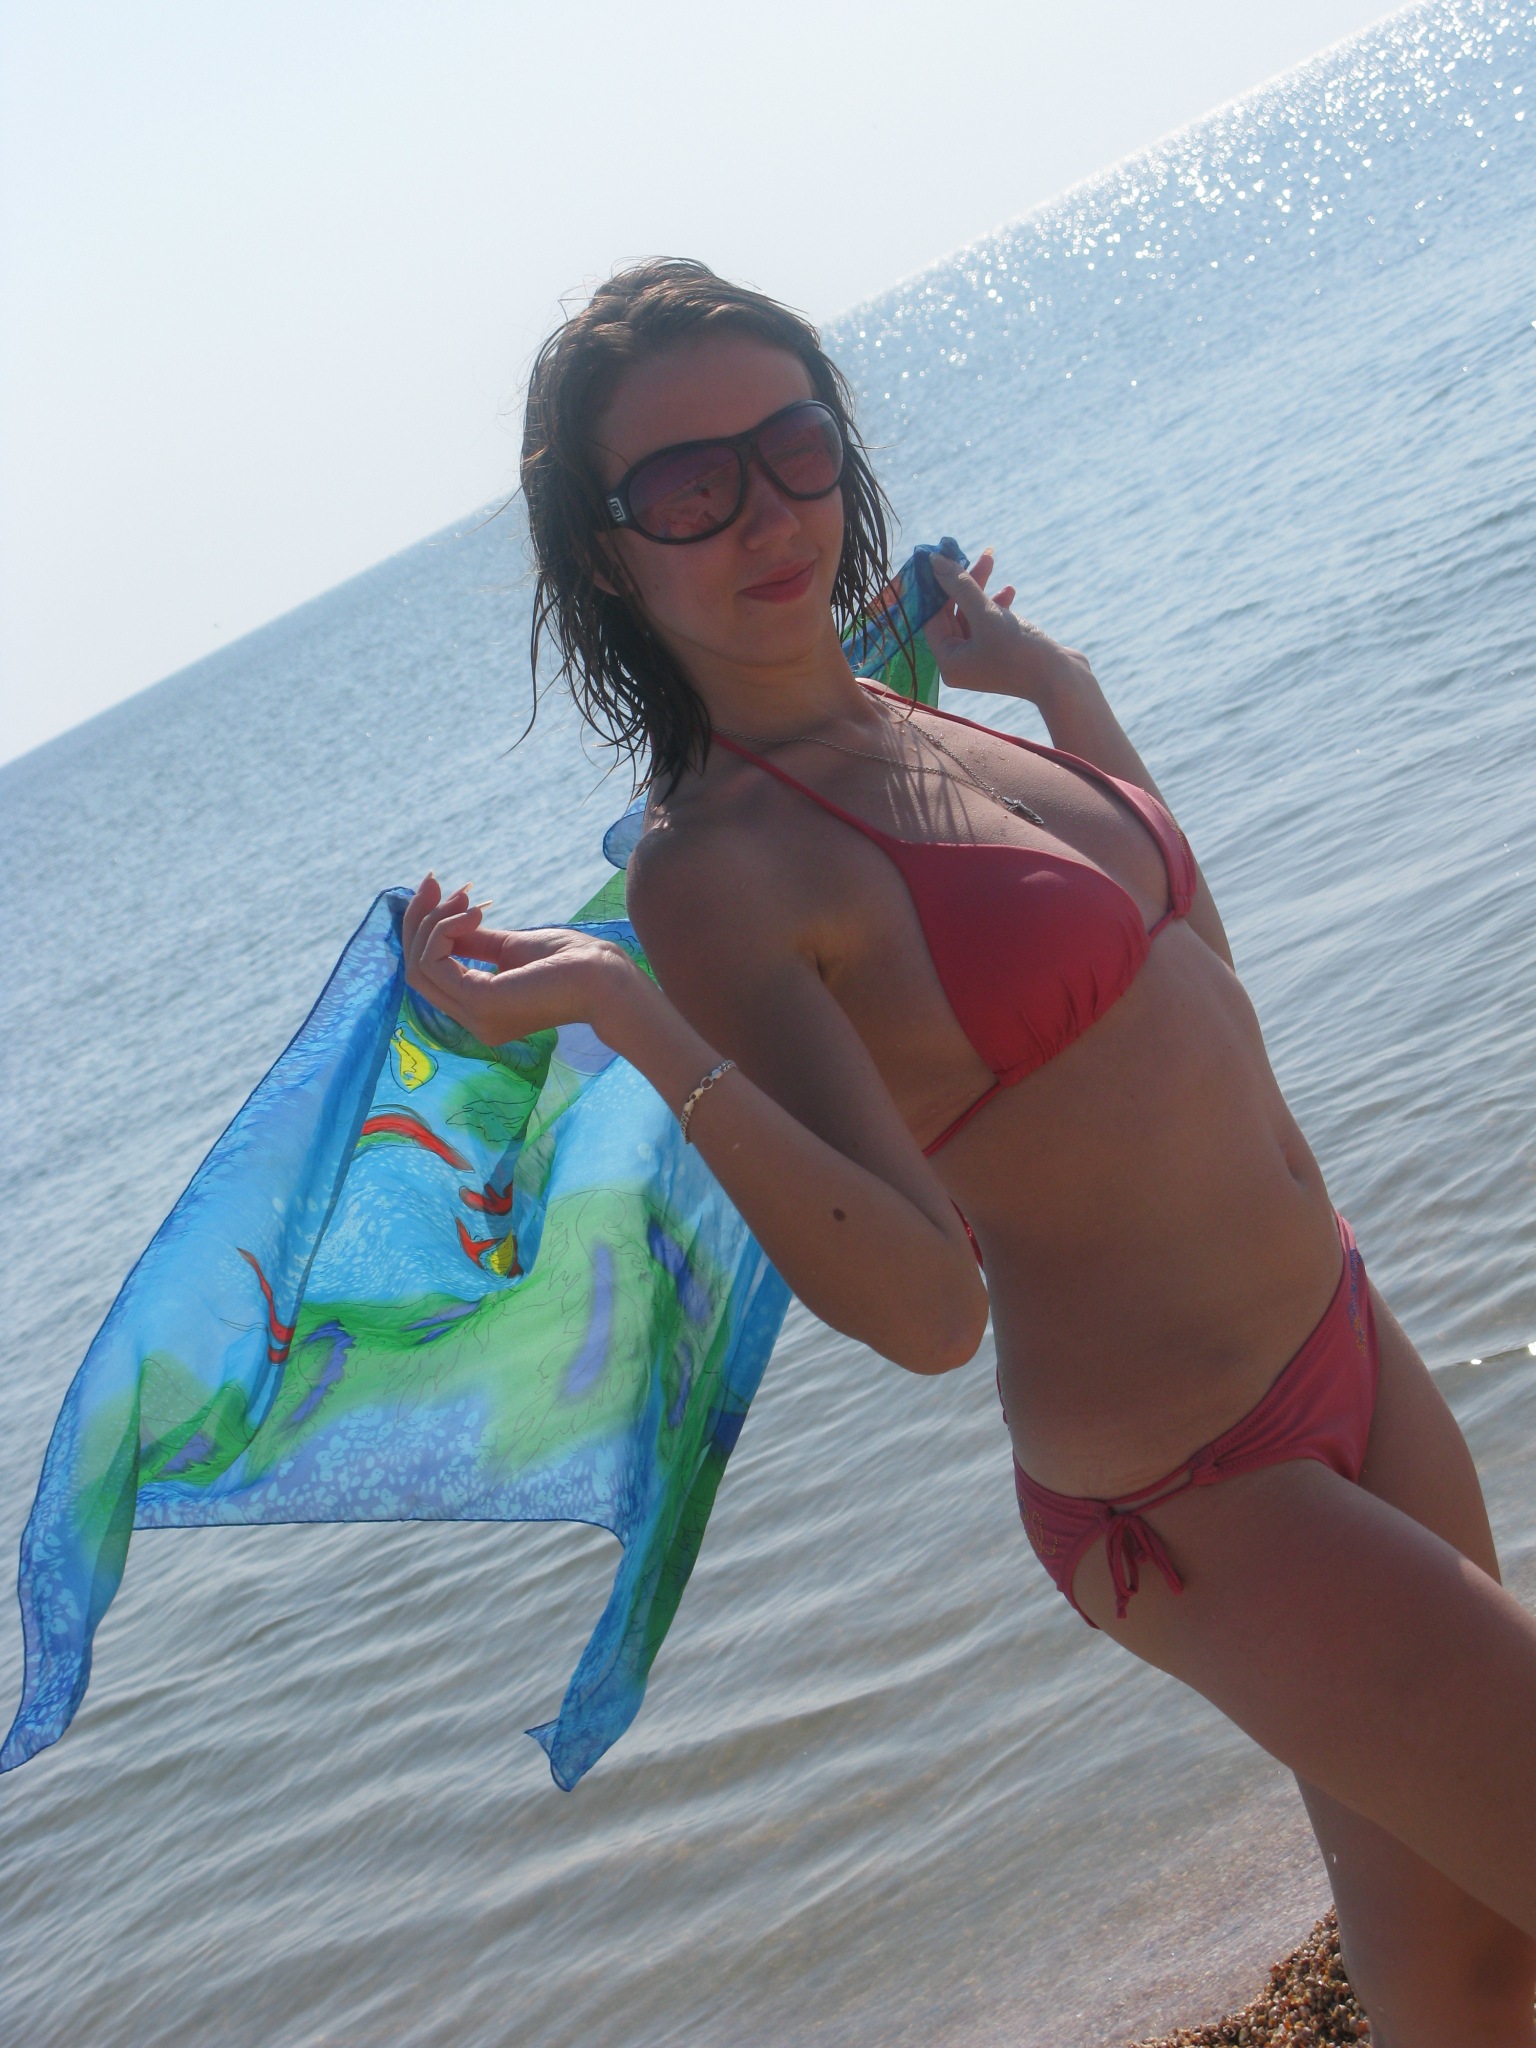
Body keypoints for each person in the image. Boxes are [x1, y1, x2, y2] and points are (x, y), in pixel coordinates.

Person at [403, 259, 1536, 2044]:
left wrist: (1053, 682)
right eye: (688, 486)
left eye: (793, 446)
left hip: (1343, 1335)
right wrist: (629, 1012)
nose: (764, 510)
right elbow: (929, 1310)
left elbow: (1195, 966)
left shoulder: (917, 712)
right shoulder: (716, 872)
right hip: (1199, 1489)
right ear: (607, 553)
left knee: (1476, 1969)